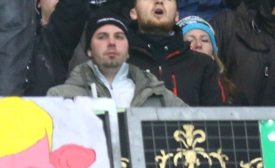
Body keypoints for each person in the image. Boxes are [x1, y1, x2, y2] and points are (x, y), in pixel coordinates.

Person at [126, 0, 225, 106]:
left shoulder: (203, 64)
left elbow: (217, 121)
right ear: (134, 13)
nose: (159, 1)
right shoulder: (121, 63)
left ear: (177, 15)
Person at [47, 15, 186, 107]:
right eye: (102, 37)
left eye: (119, 37)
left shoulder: (159, 94)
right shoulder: (60, 97)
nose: (112, 42)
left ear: (128, 50)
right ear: (89, 50)